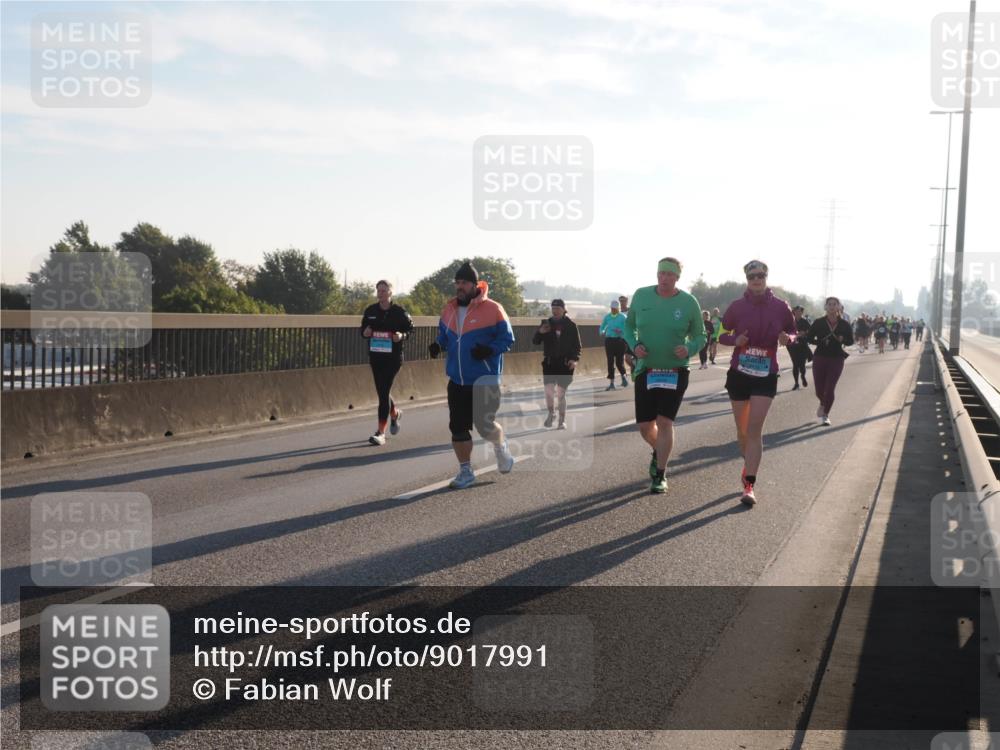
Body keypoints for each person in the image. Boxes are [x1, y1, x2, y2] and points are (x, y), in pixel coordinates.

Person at [428, 261, 515, 489]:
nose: (459, 286)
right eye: (457, 282)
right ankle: (466, 471)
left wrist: (489, 349)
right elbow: (444, 337)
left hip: (484, 379)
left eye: (464, 282)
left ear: (475, 284)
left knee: (484, 425)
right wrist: (438, 345)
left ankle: (500, 446)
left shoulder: (494, 308)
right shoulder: (449, 309)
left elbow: (507, 339)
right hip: (457, 379)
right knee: (457, 427)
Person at [623, 257, 706, 494]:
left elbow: (700, 336)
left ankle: (660, 474)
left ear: (677, 277)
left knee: (665, 422)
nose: (664, 278)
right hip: (646, 369)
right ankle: (659, 450)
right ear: (657, 274)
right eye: (661, 274)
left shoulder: (689, 302)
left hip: (675, 370)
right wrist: (634, 344)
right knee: (644, 426)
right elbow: (629, 326)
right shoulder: (641, 295)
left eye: (670, 275)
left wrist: (689, 349)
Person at [718, 260, 796, 507]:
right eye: (752, 276)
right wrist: (735, 340)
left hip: (766, 374)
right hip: (739, 374)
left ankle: (749, 484)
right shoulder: (736, 307)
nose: (757, 279)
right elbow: (720, 334)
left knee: (754, 429)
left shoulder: (781, 307)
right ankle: (747, 464)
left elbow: (794, 332)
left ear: (766, 277)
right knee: (742, 432)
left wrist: (788, 338)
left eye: (761, 275)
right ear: (747, 279)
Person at [360, 280, 414, 445]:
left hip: (393, 359)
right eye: (379, 291)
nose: (381, 293)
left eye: (384, 291)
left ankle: (380, 433)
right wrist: (366, 332)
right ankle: (395, 414)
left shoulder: (399, 312)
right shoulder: (370, 311)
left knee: (383, 393)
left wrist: (401, 336)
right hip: (376, 358)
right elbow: (362, 331)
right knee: (382, 392)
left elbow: (411, 329)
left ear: (390, 293)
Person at [533, 299, 582, 429]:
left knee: (560, 393)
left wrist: (574, 359)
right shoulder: (546, 323)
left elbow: (577, 346)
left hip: (565, 363)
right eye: (553, 308)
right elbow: (535, 341)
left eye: (557, 308)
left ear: (563, 309)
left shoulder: (571, 325)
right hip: (549, 362)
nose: (554, 311)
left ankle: (561, 420)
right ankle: (551, 413)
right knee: (549, 392)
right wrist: (540, 332)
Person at [807, 296, 853, 426]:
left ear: (839, 307)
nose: (832, 306)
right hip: (820, 357)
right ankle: (822, 402)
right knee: (819, 390)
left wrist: (842, 340)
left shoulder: (844, 324)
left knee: (830, 388)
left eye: (834, 304)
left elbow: (851, 341)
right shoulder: (819, 322)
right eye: (829, 304)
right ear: (825, 307)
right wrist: (819, 341)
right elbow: (809, 338)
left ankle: (826, 414)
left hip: (837, 358)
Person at [600, 299, 629, 390]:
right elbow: (602, 326)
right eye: (612, 308)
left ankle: (624, 377)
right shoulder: (607, 317)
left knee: (619, 362)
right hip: (609, 340)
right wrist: (602, 331)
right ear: (611, 308)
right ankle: (612, 383)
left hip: (620, 341)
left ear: (618, 308)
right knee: (610, 361)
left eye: (615, 309)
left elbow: (628, 329)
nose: (614, 310)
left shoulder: (623, 317)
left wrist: (621, 331)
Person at [787, 304, 812, 389]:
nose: (798, 313)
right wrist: (793, 335)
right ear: (793, 312)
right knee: (795, 364)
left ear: (802, 312)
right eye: (796, 311)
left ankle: (803, 376)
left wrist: (803, 333)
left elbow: (811, 331)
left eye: (799, 311)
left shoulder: (805, 321)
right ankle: (796, 383)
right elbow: (785, 331)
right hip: (793, 346)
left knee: (802, 365)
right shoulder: (790, 321)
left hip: (803, 345)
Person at [618, 295, 637, 378]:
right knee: (627, 359)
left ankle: (637, 370)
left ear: (627, 301)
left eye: (624, 301)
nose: (622, 302)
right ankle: (634, 367)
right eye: (621, 301)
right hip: (622, 338)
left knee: (633, 357)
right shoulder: (618, 313)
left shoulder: (631, 311)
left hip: (632, 337)